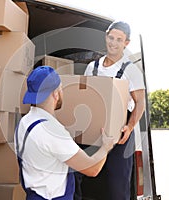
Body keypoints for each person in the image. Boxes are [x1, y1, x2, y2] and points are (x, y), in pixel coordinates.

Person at [15, 66, 116, 200]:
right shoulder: (53, 132)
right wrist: (106, 147)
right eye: (61, 88)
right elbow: (92, 169)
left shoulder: (24, 123)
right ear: (55, 93)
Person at [76, 21, 146, 200]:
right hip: (93, 129)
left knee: (117, 185)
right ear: (106, 36)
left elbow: (140, 103)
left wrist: (129, 127)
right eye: (111, 37)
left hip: (120, 133)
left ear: (126, 43)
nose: (113, 43)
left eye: (119, 40)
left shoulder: (131, 70)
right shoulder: (93, 67)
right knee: (84, 178)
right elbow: (85, 95)